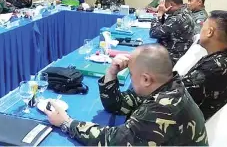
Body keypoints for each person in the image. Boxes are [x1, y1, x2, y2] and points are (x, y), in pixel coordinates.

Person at [44, 44, 208, 146]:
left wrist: (66, 122)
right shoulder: (166, 84)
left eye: (131, 73)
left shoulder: (163, 108)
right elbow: (117, 105)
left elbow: (113, 142)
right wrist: (111, 73)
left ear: (145, 79)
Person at [182, 10, 227, 120]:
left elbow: (174, 96)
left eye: (203, 26)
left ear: (209, 32)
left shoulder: (212, 68)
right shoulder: (219, 59)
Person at [149, 0, 194, 65]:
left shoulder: (177, 18)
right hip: (177, 51)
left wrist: (159, 14)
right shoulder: (184, 11)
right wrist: (162, 15)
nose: (161, 5)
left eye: (163, 3)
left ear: (170, 4)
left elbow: (154, 33)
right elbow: (163, 26)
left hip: (172, 57)